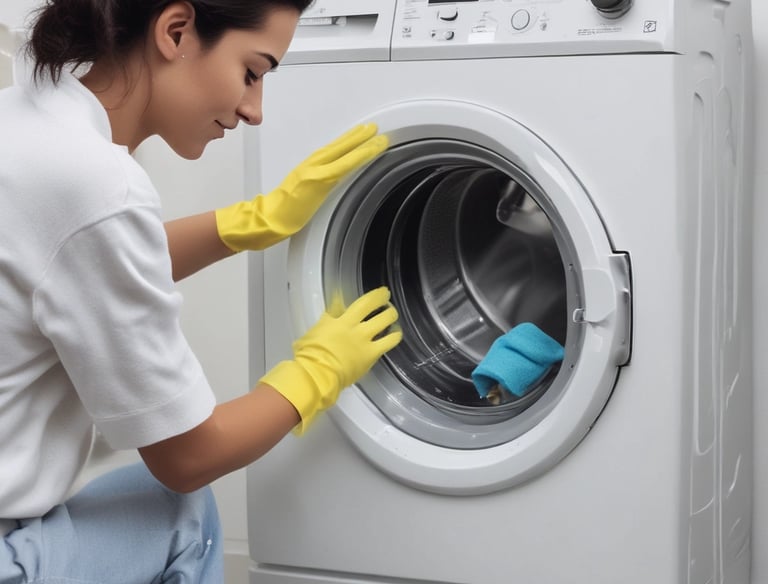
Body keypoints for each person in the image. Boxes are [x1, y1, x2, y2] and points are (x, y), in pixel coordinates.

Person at [0, 0, 402, 582]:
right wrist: (318, 372)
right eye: (252, 72)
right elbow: (187, 459)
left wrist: (254, 220)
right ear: (176, 30)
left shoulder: (27, 113)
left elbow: (76, 268)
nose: (254, 109)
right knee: (185, 508)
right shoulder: (98, 185)